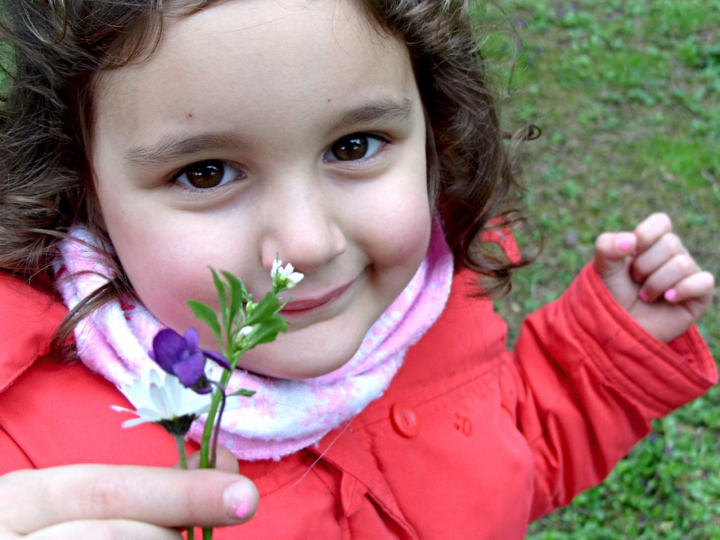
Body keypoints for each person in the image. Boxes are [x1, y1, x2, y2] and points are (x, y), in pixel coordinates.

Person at [0, 0, 715, 538]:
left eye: (354, 145)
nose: (308, 244)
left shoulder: (430, 303)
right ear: (79, 182)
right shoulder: (35, 470)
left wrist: (606, 354)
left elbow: (508, 454)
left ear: (434, 129)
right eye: (207, 171)